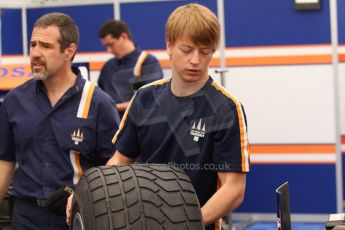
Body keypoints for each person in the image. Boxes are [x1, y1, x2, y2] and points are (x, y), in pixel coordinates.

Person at [67, 3, 250, 229]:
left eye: (205, 52)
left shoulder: (226, 107)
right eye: (187, 50)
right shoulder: (145, 98)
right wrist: (86, 195)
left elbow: (234, 189)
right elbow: (120, 161)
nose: (195, 60)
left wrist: (186, 223)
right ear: (169, 46)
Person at [0, 12, 120, 229]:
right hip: (25, 216)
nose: (35, 53)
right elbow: (5, 162)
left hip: (76, 216)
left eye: (45, 46)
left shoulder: (99, 103)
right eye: (33, 44)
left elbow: (113, 170)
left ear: (69, 51)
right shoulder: (14, 100)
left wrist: (80, 191)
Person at [97, 19, 163, 117]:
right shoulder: (108, 67)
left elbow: (150, 101)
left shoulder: (147, 62)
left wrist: (113, 107)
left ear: (124, 37)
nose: (109, 50)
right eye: (106, 46)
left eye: (111, 45)